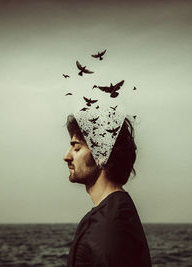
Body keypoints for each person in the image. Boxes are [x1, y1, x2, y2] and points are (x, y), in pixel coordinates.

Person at [63, 113, 152, 267]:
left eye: (77, 148)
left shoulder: (108, 226)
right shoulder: (116, 213)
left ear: (102, 155)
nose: (67, 156)